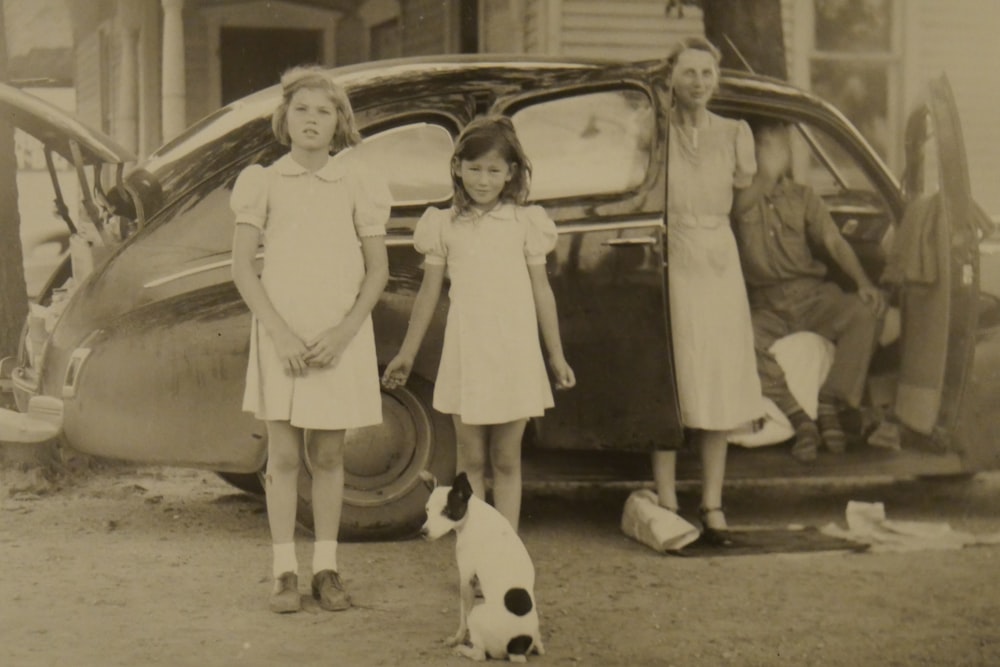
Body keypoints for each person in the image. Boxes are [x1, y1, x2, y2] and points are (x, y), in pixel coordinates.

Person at [230, 66, 391, 613]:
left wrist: (343, 333)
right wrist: (278, 332)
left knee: (327, 453)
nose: (312, 120)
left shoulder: (357, 182)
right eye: (302, 109)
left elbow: (377, 272)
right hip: (282, 337)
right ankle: (283, 572)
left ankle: (327, 566)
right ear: (284, 118)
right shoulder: (264, 181)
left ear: (339, 122)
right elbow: (243, 268)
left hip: (335, 338)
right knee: (282, 455)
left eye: (324, 111)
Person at [381, 116, 576, 532]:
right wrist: (406, 353)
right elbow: (429, 294)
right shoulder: (443, 223)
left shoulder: (526, 223)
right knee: (470, 462)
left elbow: (543, 291)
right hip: (468, 355)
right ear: (457, 168)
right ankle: (474, 553)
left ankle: (504, 552)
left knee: (507, 459)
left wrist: (555, 356)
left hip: (514, 354)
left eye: (493, 170)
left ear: (511, 173)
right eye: (474, 169)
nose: (483, 180)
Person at [653, 37, 764, 547]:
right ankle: (668, 500)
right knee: (673, 376)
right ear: (671, 76)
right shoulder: (653, 131)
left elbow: (745, 207)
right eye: (689, 72)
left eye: (706, 73)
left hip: (718, 261)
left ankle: (713, 502)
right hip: (670, 257)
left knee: (717, 376)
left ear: (716, 80)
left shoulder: (737, 134)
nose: (698, 83)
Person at [733, 120, 886, 462]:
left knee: (868, 311)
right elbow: (735, 211)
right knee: (736, 340)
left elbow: (833, 240)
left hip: (812, 297)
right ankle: (798, 416)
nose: (777, 152)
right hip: (765, 305)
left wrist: (863, 282)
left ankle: (832, 399)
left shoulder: (803, 196)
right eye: (767, 144)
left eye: (781, 146)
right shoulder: (737, 196)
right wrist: (764, 176)